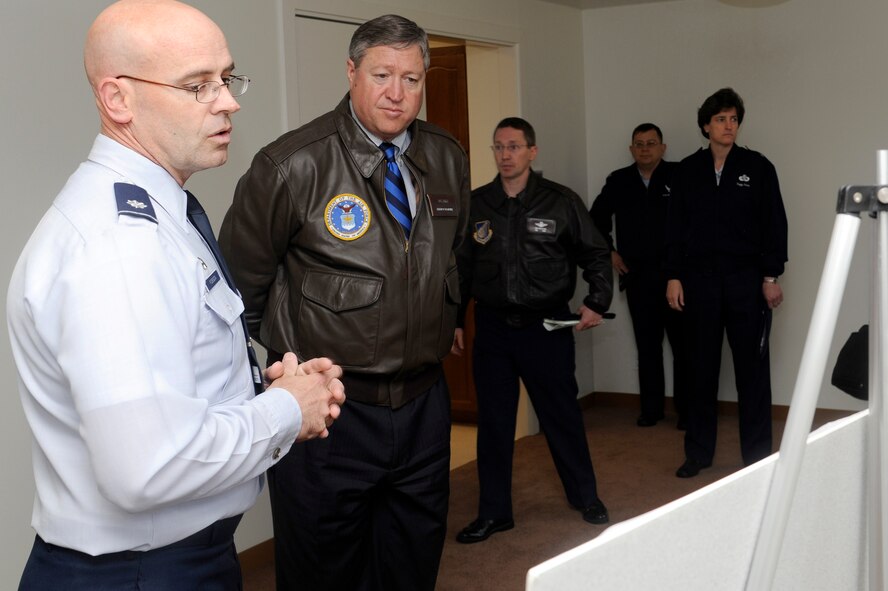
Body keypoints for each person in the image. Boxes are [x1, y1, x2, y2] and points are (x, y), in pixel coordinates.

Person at [7, 1, 346, 589]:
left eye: (226, 77)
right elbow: (148, 467)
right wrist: (288, 411)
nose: (229, 100)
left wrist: (267, 390)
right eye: (197, 85)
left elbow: (173, 375)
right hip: (139, 572)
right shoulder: (119, 247)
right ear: (118, 100)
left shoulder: (158, 215)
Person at [218, 14, 470, 591]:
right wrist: (298, 358)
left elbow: (452, 261)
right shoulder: (292, 164)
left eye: (412, 78)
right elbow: (239, 288)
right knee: (323, 570)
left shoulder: (448, 156)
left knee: (412, 561)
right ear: (352, 72)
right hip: (331, 412)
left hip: (424, 405)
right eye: (382, 74)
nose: (397, 93)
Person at [452, 117, 613, 544]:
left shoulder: (560, 202)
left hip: (546, 328)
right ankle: (494, 513)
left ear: (532, 151)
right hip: (492, 331)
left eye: (514, 147)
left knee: (562, 418)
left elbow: (597, 253)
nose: (506, 155)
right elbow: (462, 269)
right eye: (499, 147)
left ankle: (586, 497)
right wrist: (454, 321)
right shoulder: (478, 205)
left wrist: (597, 300)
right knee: (495, 425)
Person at [664, 88, 788, 478]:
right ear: (706, 125)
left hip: (745, 283)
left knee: (752, 371)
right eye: (721, 119)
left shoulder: (758, 167)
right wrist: (673, 276)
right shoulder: (686, 171)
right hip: (699, 283)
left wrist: (770, 277)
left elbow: (775, 225)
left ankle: (758, 456)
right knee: (700, 371)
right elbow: (672, 231)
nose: (728, 125)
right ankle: (698, 453)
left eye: (733, 119)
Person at [590, 123, 688, 428]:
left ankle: (687, 412)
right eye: (639, 144)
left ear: (663, 147)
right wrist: (610, 251)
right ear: (632, 149)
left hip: (675, 276)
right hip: (638, 276)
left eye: (651, 143)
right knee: (647, 347)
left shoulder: (680, 176)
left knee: (684, 346)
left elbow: (694, 223)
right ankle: (651, 409)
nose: (645, 148)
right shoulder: (619, 181)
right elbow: (594, 221)